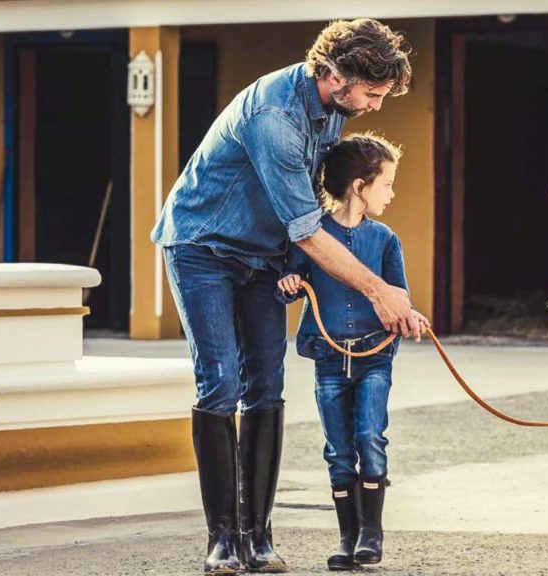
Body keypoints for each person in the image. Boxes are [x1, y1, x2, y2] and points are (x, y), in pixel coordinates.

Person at [150, 19, 417, 575]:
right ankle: (222, 540)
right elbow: (306, 229)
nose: (374, 106)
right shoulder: (275, 116)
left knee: (265, 385)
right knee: (220, 382)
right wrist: (379, 290)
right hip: (205, 247)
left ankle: (259, 536)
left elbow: (316, 210)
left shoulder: (335, 110)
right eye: (372, 93)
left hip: (262, 256)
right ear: (334, 75)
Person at [277, 133, 429, 571]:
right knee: (338, 450)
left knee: (369, 438)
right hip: (328, 358)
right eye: (387, 184)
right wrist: (289, 284)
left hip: (374, 358)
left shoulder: (385, 239)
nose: (393, 193)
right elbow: (291, 279)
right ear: (359, 187)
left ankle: (371, 534)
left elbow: (398, 296)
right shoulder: (312, 235)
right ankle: (347, 538)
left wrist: (411, 316)